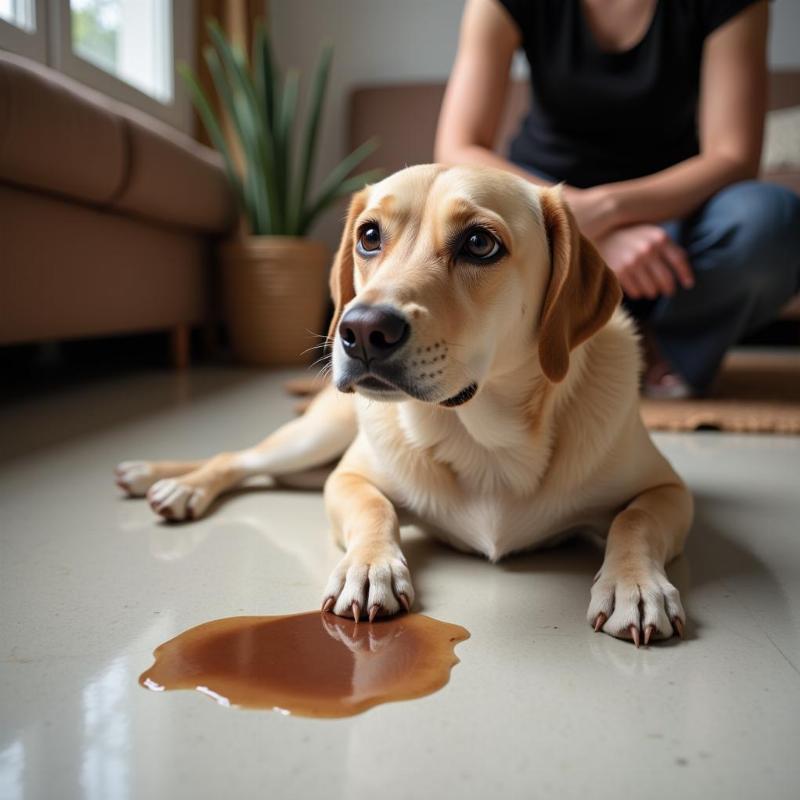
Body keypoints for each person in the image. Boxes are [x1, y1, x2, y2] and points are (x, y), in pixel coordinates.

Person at [435, 0, 800, 397]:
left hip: (673, 232)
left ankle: (660, 352)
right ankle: (546, 347)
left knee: (773, 220)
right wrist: (574, 229)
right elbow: (457, 148)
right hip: (542, 221)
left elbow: (733, 157)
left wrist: (606, 211)